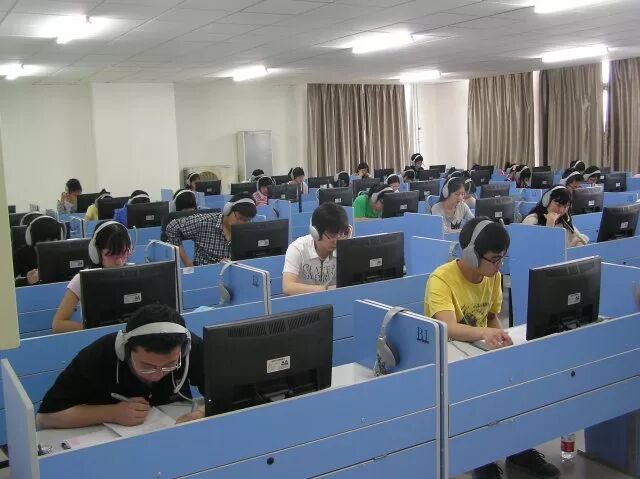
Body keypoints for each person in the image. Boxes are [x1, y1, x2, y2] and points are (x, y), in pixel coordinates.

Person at [425, 219, 560, 479]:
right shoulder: (441, 279)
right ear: (470, 254)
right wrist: (486, 333)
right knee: (479, 392)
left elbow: (490, 317)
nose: (499, 266)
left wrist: (502, 338)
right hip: (449, 361)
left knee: (517, 380)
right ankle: (481, 457)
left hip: (478, 351)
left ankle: (518, 449)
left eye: (502, 258)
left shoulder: (493, 276)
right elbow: (448, 328)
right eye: (494, 259)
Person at [38, 304, 204, 429]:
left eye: (170, 365)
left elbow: (220, 392)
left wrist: (201, 413)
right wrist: (112, 413)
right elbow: (45, 418)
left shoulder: (188, 346)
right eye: (147, 366)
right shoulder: (99, 355)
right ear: (124, 350)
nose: (157, 375)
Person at [52, 220, 132, 333]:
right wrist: (92, 330)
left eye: (123, 253)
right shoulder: (81, 280)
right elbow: (58, 324)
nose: (119, 262)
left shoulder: (134, 275)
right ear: (96, 253)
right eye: (111, 254)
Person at [165, 193, 257, 267]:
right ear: (228, 210)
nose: (242, 223)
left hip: (233, 275)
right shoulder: (204, 222)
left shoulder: (248, 231)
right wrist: (187, 263)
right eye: (239, 218)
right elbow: (172, 227)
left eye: (247, 220)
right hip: (204, 275)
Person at [282, 202, 352, 295]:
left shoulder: (343, 246)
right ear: (315, 233)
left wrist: (349, 245)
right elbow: (288, 287)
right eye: (332, 236)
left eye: (341, 234)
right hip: (304, 302)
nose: (337, 241)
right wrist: (326, 289)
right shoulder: (298, 248)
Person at [522, 185, 589, 247]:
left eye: (565, 207)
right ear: (546, 201)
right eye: (558, 205)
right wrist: (550, 224)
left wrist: (578, 244)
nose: (561, 210)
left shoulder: (564, 221)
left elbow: (579, 239)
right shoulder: (532, 220)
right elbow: (538, 249)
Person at [13, 214, 65, 287]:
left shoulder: (65, 253)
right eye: (43, 240)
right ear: (31, 240)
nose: (47, 245)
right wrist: (26, 281)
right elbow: (5, 283)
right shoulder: (20, 255)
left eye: (52, 240)